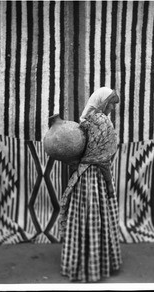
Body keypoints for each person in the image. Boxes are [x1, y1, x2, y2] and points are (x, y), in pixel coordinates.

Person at [59, 87, 122, 282]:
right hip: (95, 175)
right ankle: (97, 263)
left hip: (83, 174)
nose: (112, 107)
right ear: (102, 102)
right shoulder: (102, 121)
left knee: (82, 214)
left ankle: (77, 263)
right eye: (111, 103)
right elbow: (107, 150)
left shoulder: (83, 121)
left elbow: (77, 149)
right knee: (96, 214)